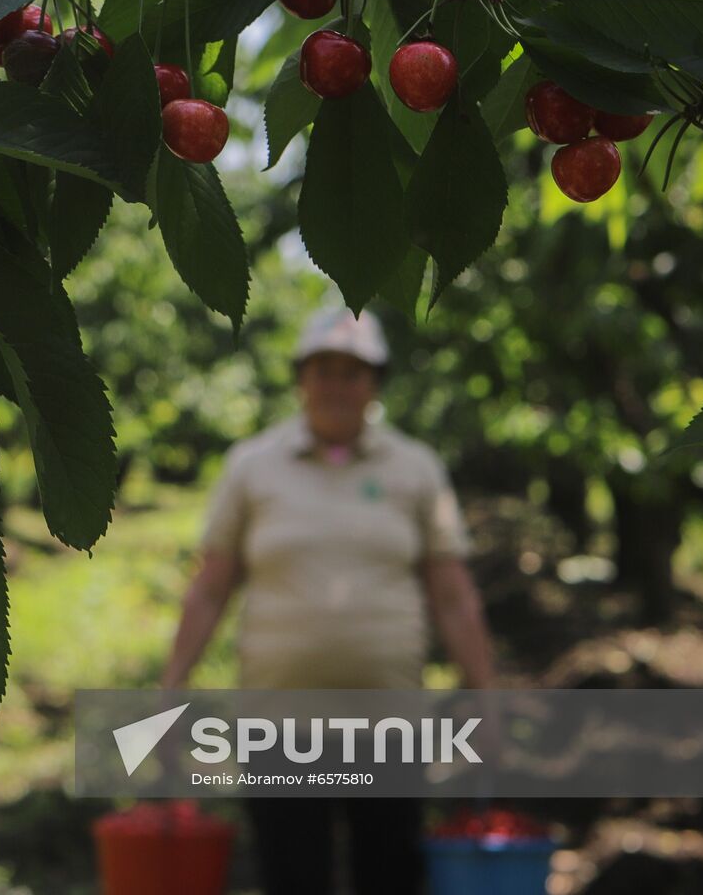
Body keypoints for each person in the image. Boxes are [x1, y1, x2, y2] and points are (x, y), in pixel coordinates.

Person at [159, 304, 497, 895]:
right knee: (292, 875)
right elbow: (211, 587)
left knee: (388, 872)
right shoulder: (254, 466)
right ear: (301, 377)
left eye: (353, 372)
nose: (337, 385)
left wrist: (486, 694)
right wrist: (172, 688)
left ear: (376, 384)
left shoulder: (415, 469)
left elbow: (452, 595)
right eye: (324, 369)